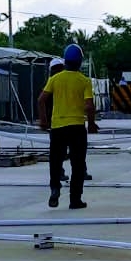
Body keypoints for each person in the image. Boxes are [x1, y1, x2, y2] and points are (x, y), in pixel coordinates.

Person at [38, 43, 99, 209]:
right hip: (77, 127)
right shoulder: (84, 81)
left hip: (57, 127)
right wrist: (92, 124)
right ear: (80, 62)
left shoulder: (55, 79)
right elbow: (88, 106)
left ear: (65, 61)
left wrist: (43, 120)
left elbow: (41, 99)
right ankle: (75, 200)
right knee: (78, 165)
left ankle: (55, 188)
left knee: (55, 161)